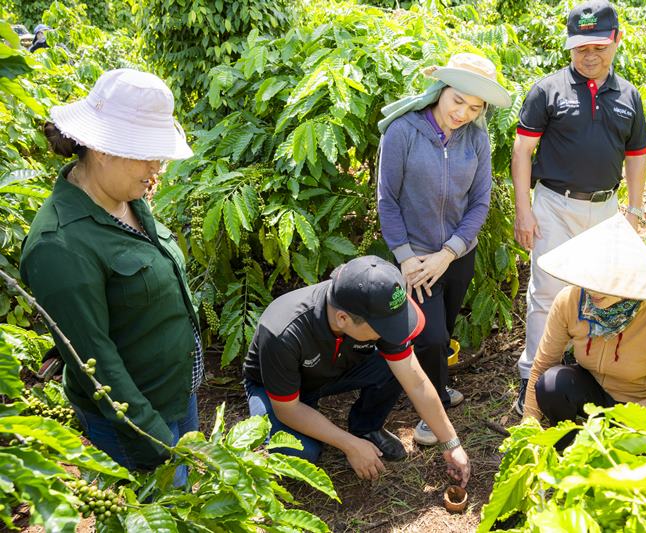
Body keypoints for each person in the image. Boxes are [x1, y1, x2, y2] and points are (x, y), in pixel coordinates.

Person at [20, 69, 199, 484]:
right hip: (137, 418)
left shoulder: (125, 196)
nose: (157, 167)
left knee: (190, 497)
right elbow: (94, 362)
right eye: (148, 154)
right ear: (103, 149)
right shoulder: (59, 245)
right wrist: (157, 439)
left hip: (175, 392)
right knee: (159, 510)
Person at [511, 0, 646, 414]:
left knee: (599, 294)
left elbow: (637, 155)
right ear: (569, 46)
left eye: (599, 46)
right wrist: (524, 210)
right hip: (554, 203)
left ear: (616, 41)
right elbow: (522, 152)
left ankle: (582, 374)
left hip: (606, 210)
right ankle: (532, 379)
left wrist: (635, 211)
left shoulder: (629, 95)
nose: (590, 55)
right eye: (580, 47)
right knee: (547, 292)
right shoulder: (546, 90)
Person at [377, 53, 511, 445]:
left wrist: (450, 252)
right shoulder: (402, 132)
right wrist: (405, 259)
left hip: (456, 256)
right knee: (431, 336)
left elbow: (479, 203)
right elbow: (387, 200)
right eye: (457, 101)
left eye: (474, 107)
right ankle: (430, 411)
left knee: (446, 325)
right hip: (415, 259)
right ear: (440, 90)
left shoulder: (477, 138)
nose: (463, 113)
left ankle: (438, 384)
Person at [242, 256, 471, 486]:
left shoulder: (374, 307)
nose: (391, 332)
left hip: (332, 369)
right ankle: (338, 435)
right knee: (299, 453)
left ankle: (366, 428)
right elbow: (287, 409)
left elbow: (416, 381)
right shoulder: (283, 332)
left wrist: (452, 444)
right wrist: (348, 444)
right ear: (343, 319)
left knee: (397, 365)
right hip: (279, 391)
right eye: (385, 328)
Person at [522, 214, 646, 447]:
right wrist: (528, 426)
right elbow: (543, 364)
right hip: (594, 395)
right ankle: (567, 453)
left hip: (643, 407)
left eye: (605, 283)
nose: (593, 290)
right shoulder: (570, 301)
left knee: (623, 458)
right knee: (551, 384)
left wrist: (631, 412)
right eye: (590, 279)